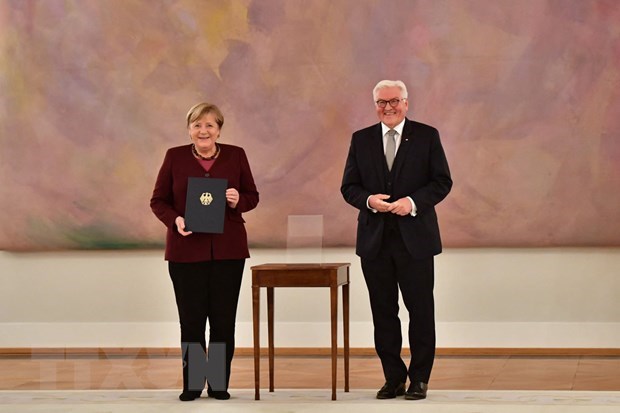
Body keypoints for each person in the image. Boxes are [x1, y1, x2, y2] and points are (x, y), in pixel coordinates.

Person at [341, 80, 452, 400]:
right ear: (374, 104)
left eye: (394, 101)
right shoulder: (360, 140)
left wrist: (412, 203)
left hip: (415, 240)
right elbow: (349, 187)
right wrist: (368, 200)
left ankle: (419, 378)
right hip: (374, 241)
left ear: (406, 102)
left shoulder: (427, 136)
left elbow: (442, 182)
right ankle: (393, 377)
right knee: (383, 311)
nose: (387, 107)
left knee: (420, 309)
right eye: (381, 102)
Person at [150, 102, 259, 401]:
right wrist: (176, 220)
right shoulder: (175, 157)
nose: (203, 130)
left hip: (228, 252)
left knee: (223, 321)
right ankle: (194, 383)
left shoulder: (236, 155)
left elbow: (253, 196)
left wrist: (239, 199)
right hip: (186, 252)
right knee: (192, 321)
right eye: (197, 125)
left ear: (219, 129)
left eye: (209, 125)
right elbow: (158, 200)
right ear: (189, 129)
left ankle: (219, 383)